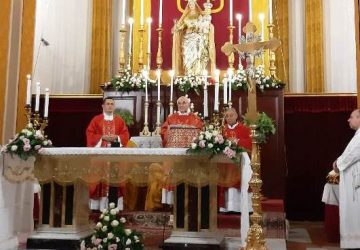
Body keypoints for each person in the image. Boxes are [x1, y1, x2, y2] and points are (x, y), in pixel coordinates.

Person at [86, 97, 130, 211]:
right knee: (98, 177)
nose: (110, 106)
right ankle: (98, 206)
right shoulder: (96, 120)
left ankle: (115, 205)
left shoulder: (119, 120)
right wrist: (102, 137)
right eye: (108, 104)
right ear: (103, 106)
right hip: (100, 156)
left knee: (115, 177)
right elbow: (90, 134)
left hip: (115, 154)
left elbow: (125, 135)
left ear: (114, 106)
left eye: (112, 104)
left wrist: (117, 137)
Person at [333, 109, 360, 249]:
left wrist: (338, 164)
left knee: (355, 213)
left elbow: (353, 154)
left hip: (356, 184)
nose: (348, 120)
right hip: (353, 181)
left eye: (352, 117)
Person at [218, 108, 252, 212]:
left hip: (240, 161)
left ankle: (242, 207)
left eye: (231, 115)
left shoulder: (244, 129)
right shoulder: (222, 130)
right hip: (226, 163)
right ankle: (228, 208)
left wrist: (237, 141)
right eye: (227, 116)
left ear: (236, 116)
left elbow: (250, 142)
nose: (229, 118)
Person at [172, 0, 216, 76]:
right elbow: (181, 26)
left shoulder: (200, 15)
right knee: (187, 55)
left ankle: (198, 73)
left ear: (195, 5)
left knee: (197, 55)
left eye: (192, 4)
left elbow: (204, 26)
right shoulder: (186, 16)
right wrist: (177, 27)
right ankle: (188, 72)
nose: (191, 5)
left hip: (197, 39)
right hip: (187, 38)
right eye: (189, 4)